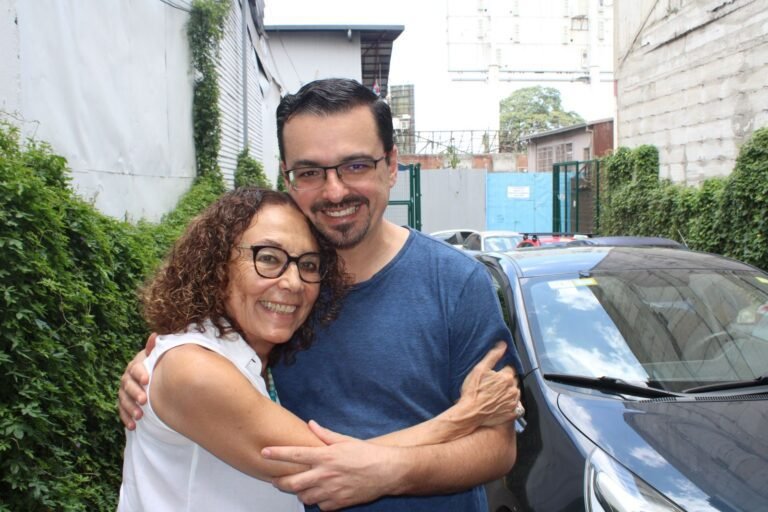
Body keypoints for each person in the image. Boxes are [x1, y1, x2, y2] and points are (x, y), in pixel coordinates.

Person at [119, 78, 524, 511]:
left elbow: (497, 447)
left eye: (355, 166)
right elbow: (205, 375)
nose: (335, 191)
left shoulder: (457, 282)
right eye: (311, 172)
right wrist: (156, 366)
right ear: (288, 176)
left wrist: (392, 471)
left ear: (391, 166)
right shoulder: (278, 298)